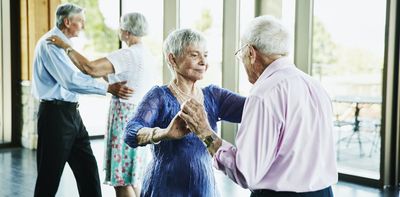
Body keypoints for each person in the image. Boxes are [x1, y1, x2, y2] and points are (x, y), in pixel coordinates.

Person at [179, 15, 338, 197]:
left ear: (251, 53)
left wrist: (205, 133)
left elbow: (246, 173)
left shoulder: (264, 94)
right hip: (324, 192)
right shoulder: (314, 85)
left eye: (241, 54)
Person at [123, 28, 246, 197]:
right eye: (194, 55)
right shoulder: (159, 96)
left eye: (205, 55)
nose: (203, 61)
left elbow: (254, 109)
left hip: (204, 188)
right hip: (164, 188)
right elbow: (131, 132)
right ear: (172, 59)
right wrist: (164, 133)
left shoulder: (214, 96)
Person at [31, 3, 134, 197]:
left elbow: (84, 68)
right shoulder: (51, 44)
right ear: (67, 22)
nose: (84, 26)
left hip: (71, 114)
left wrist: (108, 78)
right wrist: (108, 88)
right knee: (49, 177)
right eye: (80, 21)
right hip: (55, 116)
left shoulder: (64, 44)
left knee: (88, 171)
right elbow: (70, 80)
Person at [47, 12, 154, 197]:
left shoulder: (127, 54)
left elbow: (90, 68)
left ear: (127, 31)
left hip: (124, 119)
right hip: (140, 118)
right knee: (130, 178)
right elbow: (102, 72)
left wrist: (65, 46)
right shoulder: (145, 53)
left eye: (121, 26)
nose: (119, 30)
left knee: (121, 181)